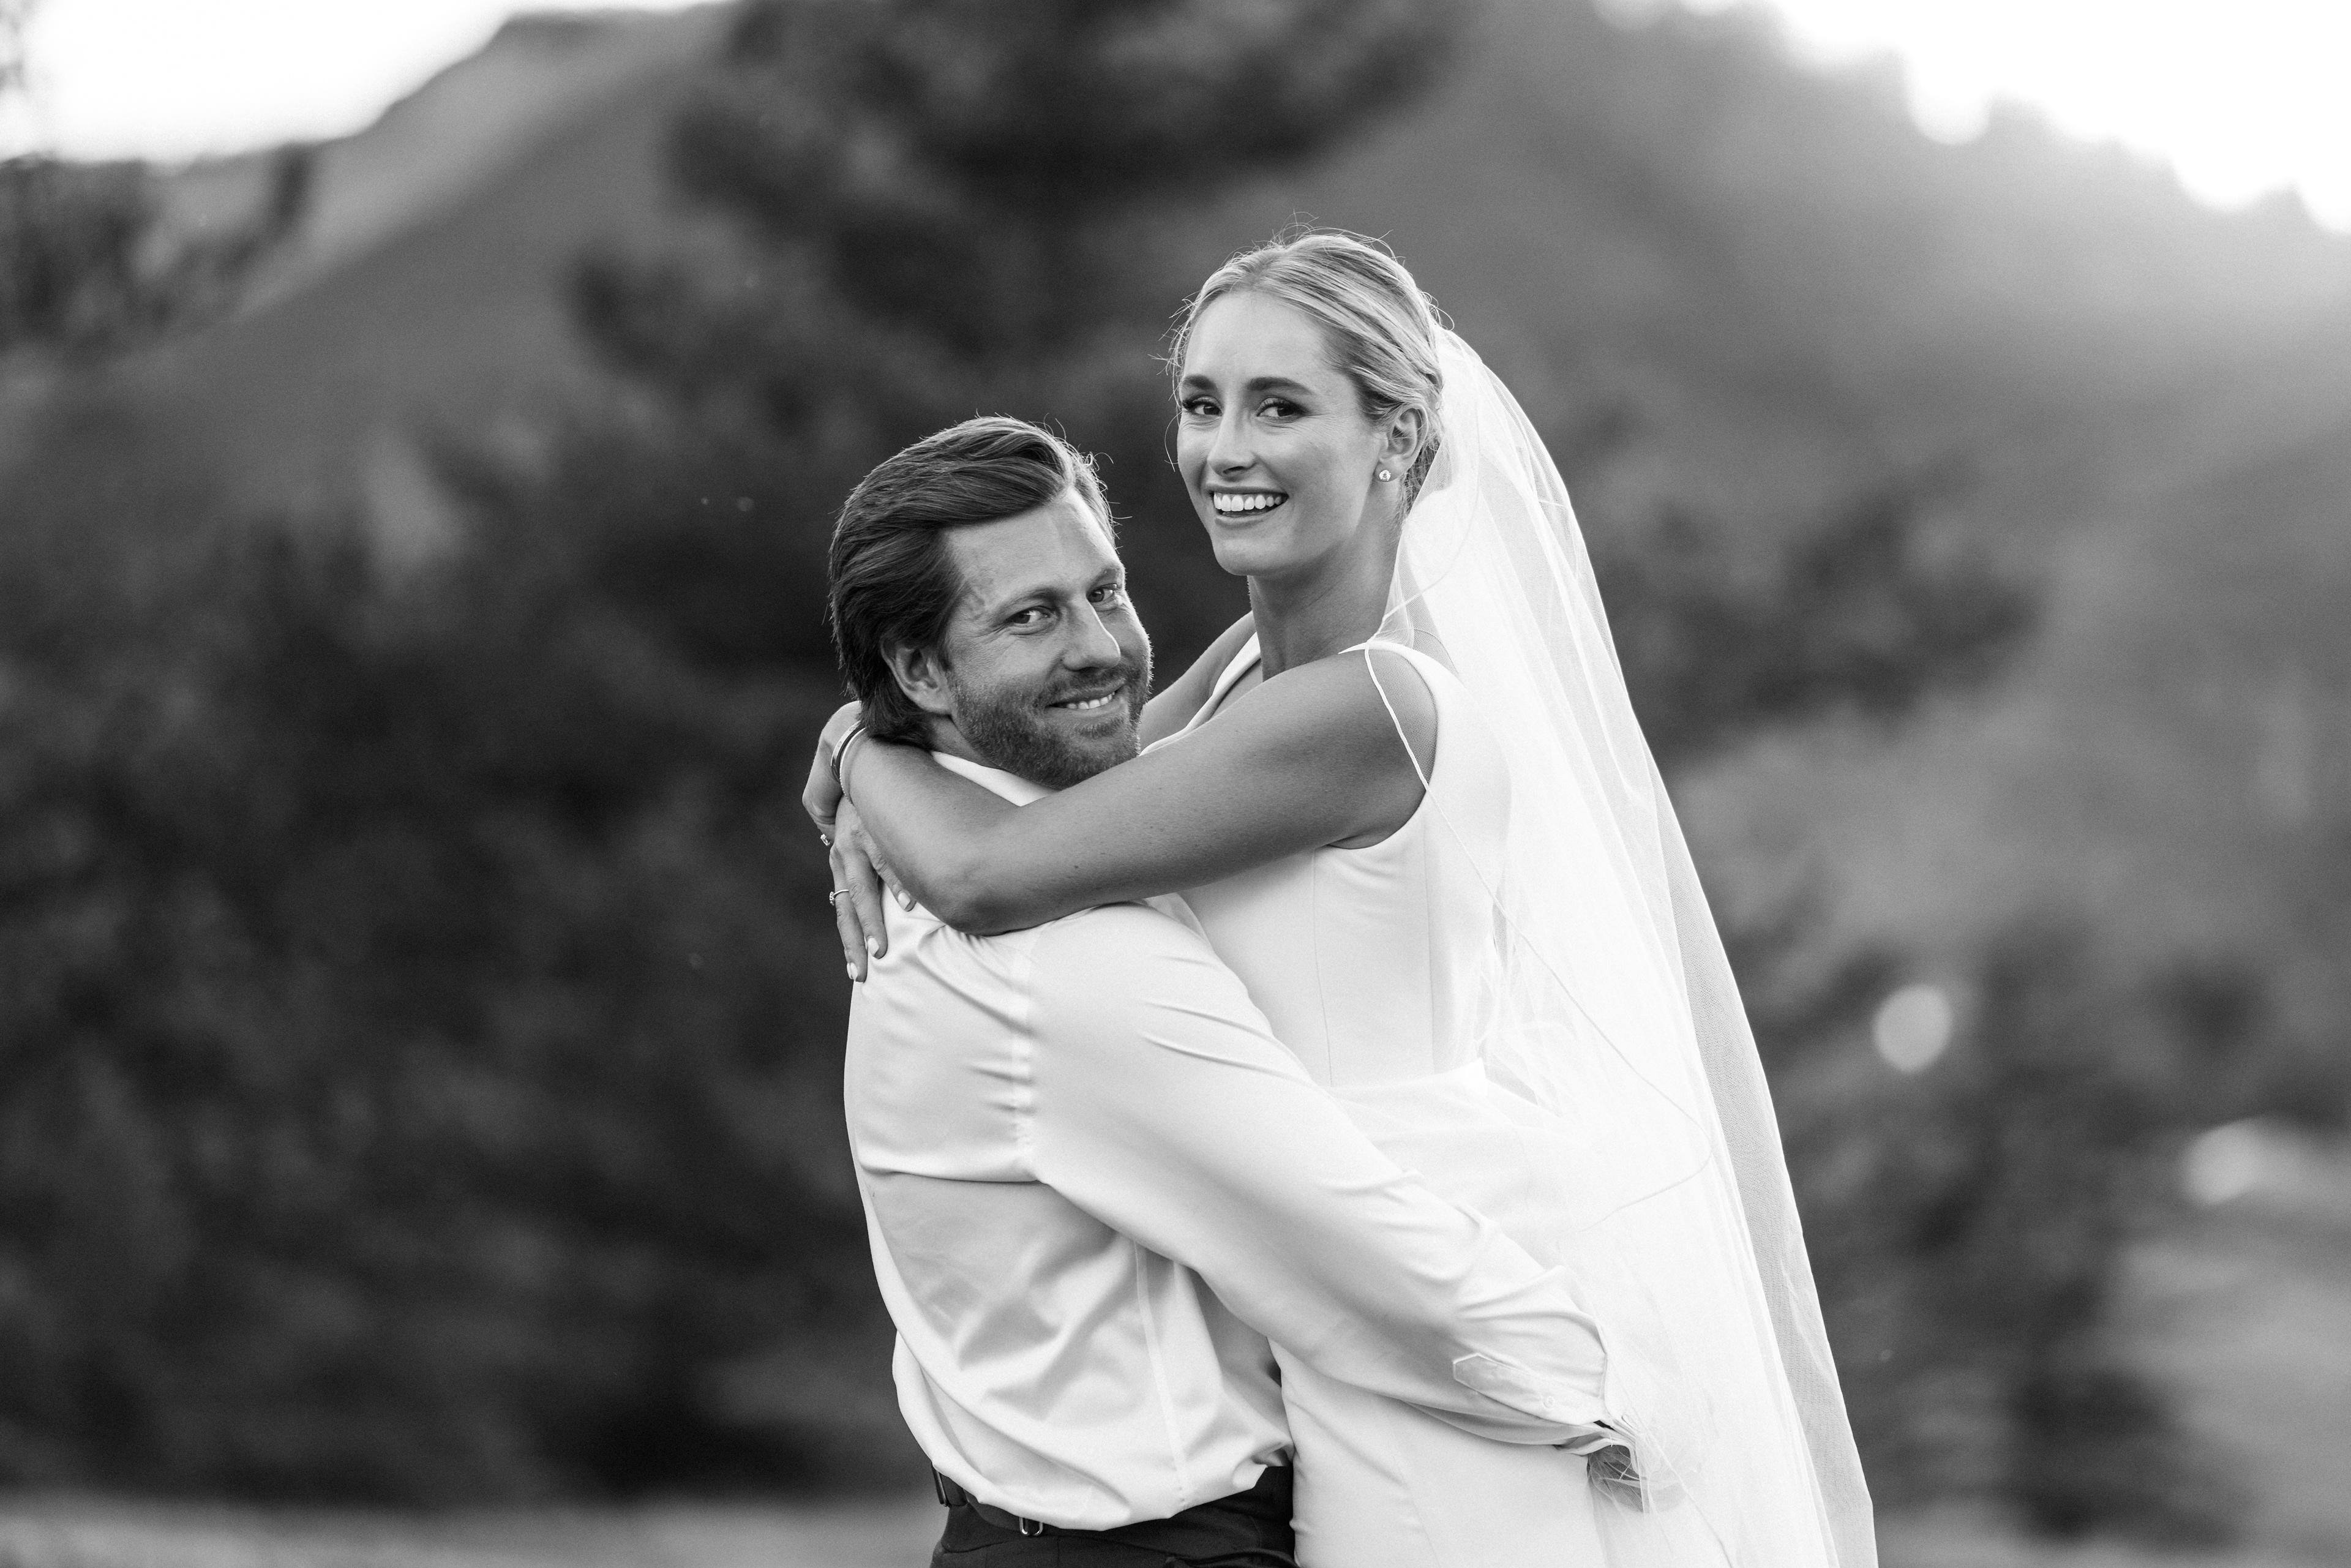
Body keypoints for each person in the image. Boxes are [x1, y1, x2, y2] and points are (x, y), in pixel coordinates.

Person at [811, 232, 1876, 1567]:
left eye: (1280, 406)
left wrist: (860, 750)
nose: (1225, 449)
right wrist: (884, 734)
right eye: (1202, 404)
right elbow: (1058, 797)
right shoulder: (1250, 677)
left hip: (1414, 1286)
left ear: (1398, 438)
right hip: (1319, 1303)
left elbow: (989, 871)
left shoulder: (1372, 706)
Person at [823, 415, 1643, 1568]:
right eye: (1031, 617)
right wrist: (1627, 1387)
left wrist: (858, 745)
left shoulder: (1027, 841)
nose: (1099, 647)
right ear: (918, 671)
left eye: (1104, 592)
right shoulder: (1066, 959)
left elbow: (1263, 664)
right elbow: (1363, 1259)